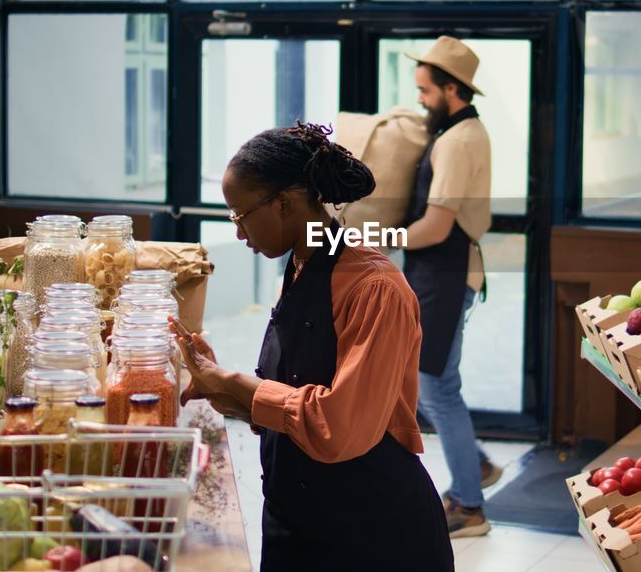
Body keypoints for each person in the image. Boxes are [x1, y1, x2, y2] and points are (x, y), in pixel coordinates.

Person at [172, 122, 454, 571]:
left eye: (240, 216)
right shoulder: (302, 265)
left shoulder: (374, 286)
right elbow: (291, 402)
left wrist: (234, 383)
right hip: (301, 519)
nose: (239, 232)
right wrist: (219, 386)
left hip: (373, 535)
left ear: (282, 203)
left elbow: (338, 426)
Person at [400, 36, 500, 538]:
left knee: (437, 387)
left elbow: (436, 228)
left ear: (452, 89)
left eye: (425, 90)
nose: (419, 98)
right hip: (439, 273)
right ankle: (475, 466)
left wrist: (368, 237)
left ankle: (468, 506)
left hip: (444, 271)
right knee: (422, 381)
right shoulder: (462, 131)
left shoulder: (458, 141)